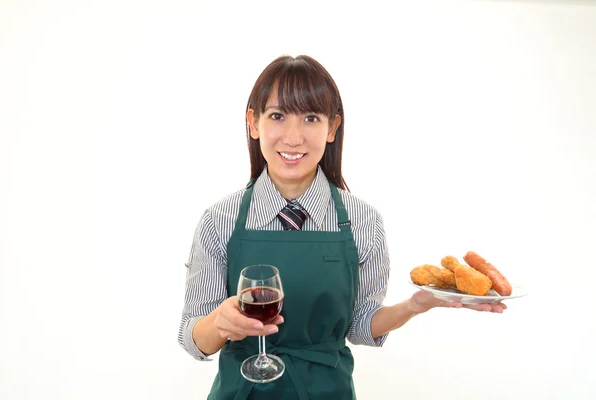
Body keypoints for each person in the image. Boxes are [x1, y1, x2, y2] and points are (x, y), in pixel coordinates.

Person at [178, 54, 506, 400]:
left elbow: (361, 325)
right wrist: (219, 323)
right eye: (277, 116)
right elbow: (193, 338)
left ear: (332, 128)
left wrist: (415, 305)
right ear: (253, 123)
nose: (293, 137)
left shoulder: (363, 221)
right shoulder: (220, 221)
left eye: (310, 118)